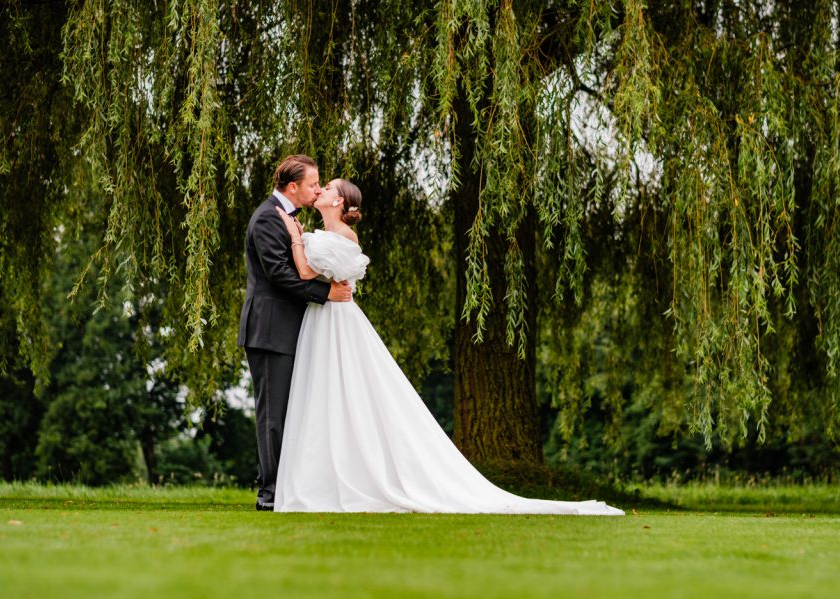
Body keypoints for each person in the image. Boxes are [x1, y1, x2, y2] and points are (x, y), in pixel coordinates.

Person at [272, 178, 624, 515]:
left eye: (328, 187)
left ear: (339, 201)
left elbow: (304, 273)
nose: (320, 190)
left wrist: (295, 239)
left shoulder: (342, 235)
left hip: (336, 321)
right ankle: (328, 475)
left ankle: (349, 478)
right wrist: (303, 239)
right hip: (323, 319)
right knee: (326, 394)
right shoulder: (324, 233)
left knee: (347, 391)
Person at [237, 155, 354, 511]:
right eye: (312, 184)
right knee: (273, 415)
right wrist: (325, 294)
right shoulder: (267, 219)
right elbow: (279, 275)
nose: (317, 189)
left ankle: (287, 487)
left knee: (291, 412)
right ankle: (269, 494)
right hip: (270, 330)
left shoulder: (290, 220)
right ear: (292, 187)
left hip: (291, 329)